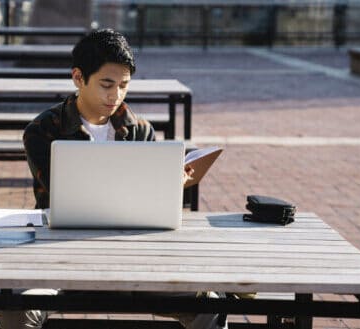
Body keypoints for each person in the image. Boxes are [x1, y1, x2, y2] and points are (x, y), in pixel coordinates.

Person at [12, 28, 224, 329]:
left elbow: (151, 208)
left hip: (132, 257)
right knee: (19, 308)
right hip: (59, 256)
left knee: (211, 306)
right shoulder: (43, 130)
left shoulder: (139, 129)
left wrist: (169, 184)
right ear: (78, 78)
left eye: (124, 85)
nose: (116, 95)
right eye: (106, 85)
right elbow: (61, 196)